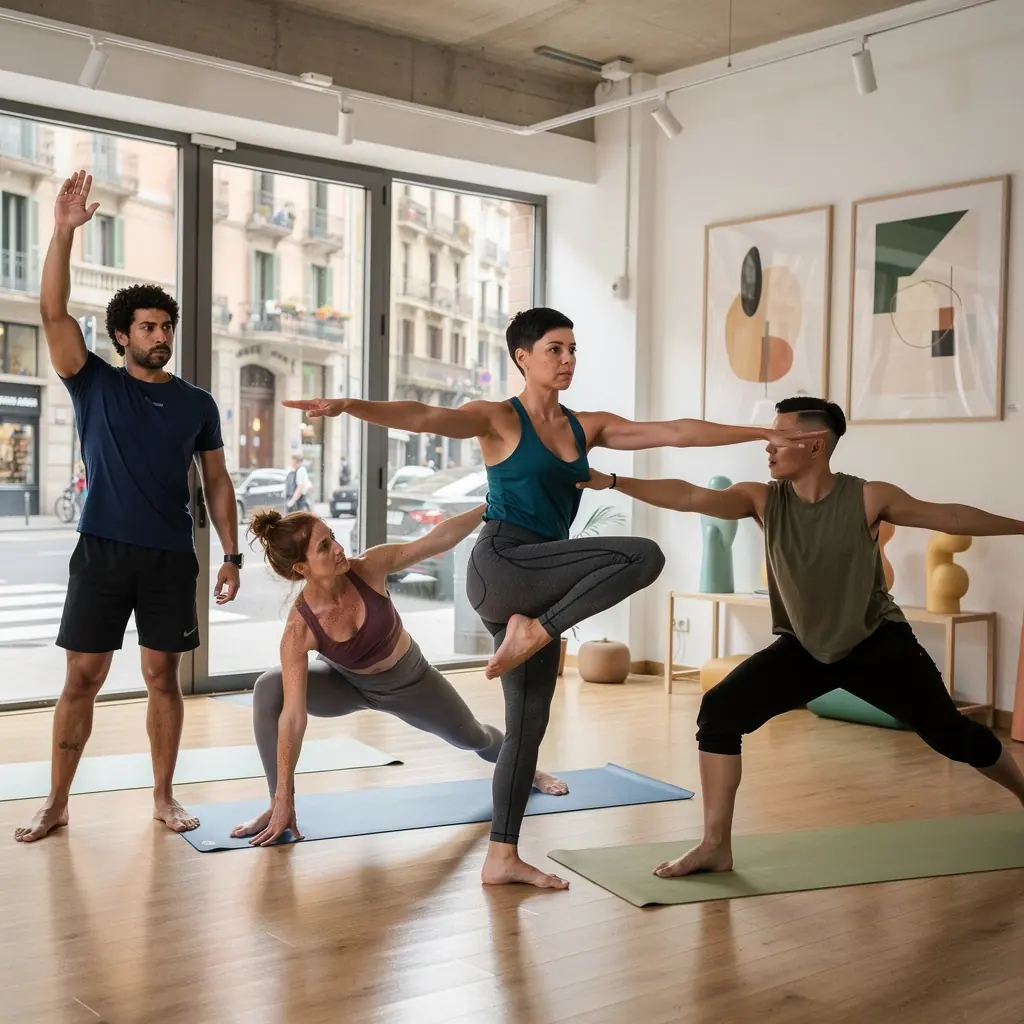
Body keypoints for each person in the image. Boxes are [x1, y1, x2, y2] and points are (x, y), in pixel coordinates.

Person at [282, 307, 824, 888]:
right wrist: (348, 406)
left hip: (544, 580)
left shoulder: (585, 426)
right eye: (554, 350)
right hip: (504, 567)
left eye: (572, 349)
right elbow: (423, 415)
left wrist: (758, 432)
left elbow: (674, 431)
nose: (567, 359)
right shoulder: (498, 419)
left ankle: (502, 856)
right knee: (642, 554)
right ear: (523, 357)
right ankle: (536, 632)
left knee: (528, 725)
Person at [579, 395, 1024, 879]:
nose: (767, 446)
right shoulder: (763, 499)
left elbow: (950, 518)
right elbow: (690, 497)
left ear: (814, 445)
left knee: (952, 736)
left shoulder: (868, 497)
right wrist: (613, 481)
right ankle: (714, 846)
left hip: (876, 642)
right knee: (721, 712)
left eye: (779, 436)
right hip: (804, 647)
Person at [14, 171, 242, 845]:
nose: (161, 334)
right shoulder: (93, 385)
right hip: (103, 550)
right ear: (121, 335)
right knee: (81, 677)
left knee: (161, 677)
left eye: (166, 325)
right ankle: (56, 802)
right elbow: (53, 314)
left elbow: (219, 482)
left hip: (171, 556)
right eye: (148, 326)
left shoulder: (197, 403)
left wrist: (230, 554)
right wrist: (62, 232)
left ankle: (164, 797)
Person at [231, 504, 569, 847]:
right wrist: (287, 795)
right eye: (323, 547)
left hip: (410, 682)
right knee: (268, 688)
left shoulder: (369, 567)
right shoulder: (299, 627)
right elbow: (292, 717)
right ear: (301, 567)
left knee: (475, 738)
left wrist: (493, 505)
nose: (337, 547)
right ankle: (278, 805)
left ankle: (528, 771)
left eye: (332, 537)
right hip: (345, 685)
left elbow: (437, 540)